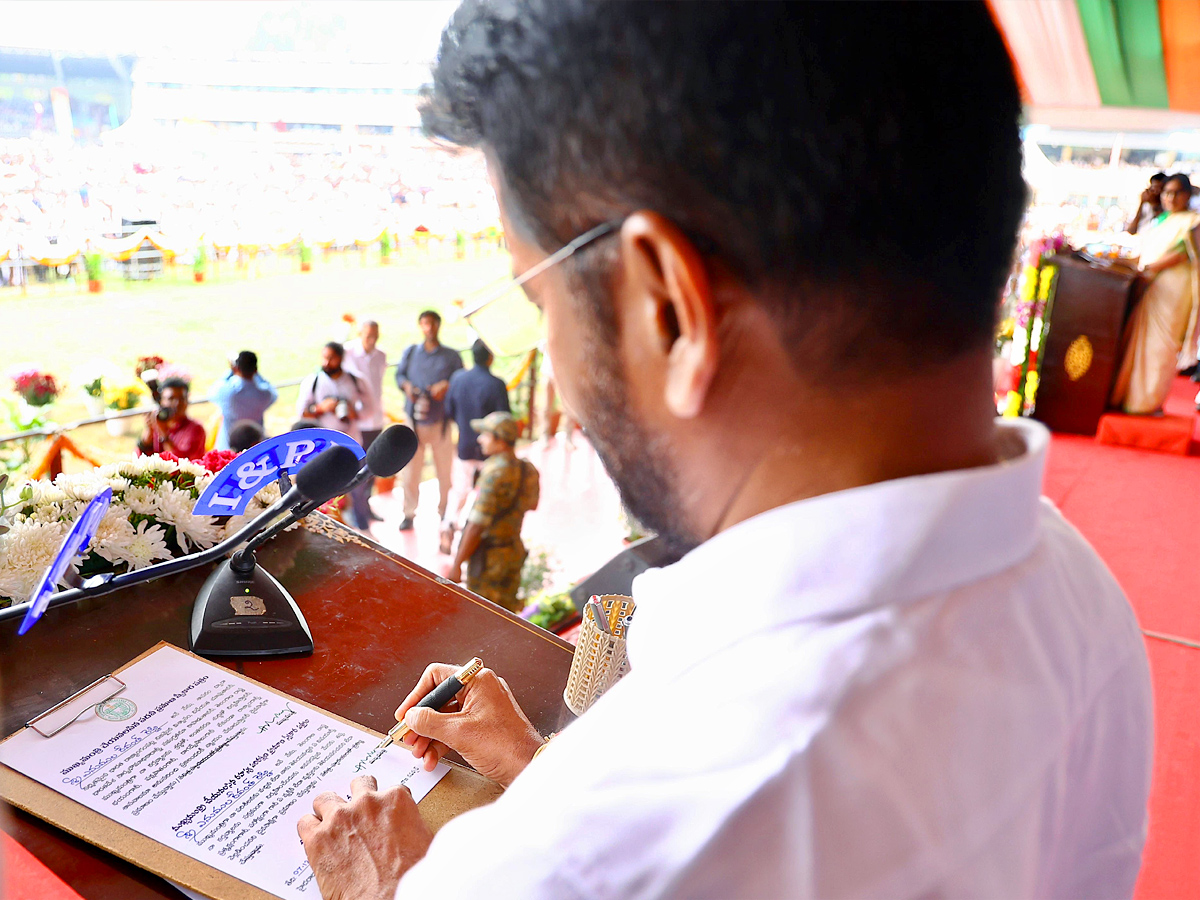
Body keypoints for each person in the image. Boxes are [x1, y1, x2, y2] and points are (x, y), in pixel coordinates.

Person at [297, 4, 1153, 898]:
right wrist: (538, 765)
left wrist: (382, 886)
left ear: (667, 307)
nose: (552, 348)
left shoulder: (591, 855)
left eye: (538, 300)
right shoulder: (1081, 598)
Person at [1111, 173, 1200, 415]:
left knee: (1161, 347)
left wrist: (1147, 269)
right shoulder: (1162, 219)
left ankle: (1148, 403)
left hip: (1173, 292)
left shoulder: (1192, 221)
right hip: (1150, 286)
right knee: (1140, 342)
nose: (1170, 197)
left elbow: (1182, 253)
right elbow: (1145, 251)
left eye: (1176, 193)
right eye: (1166, 193)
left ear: (1187, 195)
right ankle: (1129, 397)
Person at [444, 411, 538, 610]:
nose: (480, 439)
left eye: (485, 434)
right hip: (512, 551)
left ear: (500, 440)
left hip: (489, 561)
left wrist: (457, 564)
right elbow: (532, 504)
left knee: (483, 616)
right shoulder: (528, 470)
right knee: (509, 615)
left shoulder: (494, 473)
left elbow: (477, 525)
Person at [393, 310, 463, 530]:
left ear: (439, 326)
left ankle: (444, 512)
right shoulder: (411, 352)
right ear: (420, 326)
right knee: (411, 472)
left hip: (440, 421)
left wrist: (446, 385)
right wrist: (407, 388)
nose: (429, 328)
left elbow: (461, 380)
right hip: (414, 422)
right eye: (425, 324)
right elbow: (399, 376)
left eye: (433, 324)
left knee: (445, 471)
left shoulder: (451, 356)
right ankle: (409, 513)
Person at [441, 339, 511, 552]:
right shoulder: (496, 384)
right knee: (484, 493)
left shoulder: (458, 378)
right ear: (491, 357)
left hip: (464, 444)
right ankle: (472, 536)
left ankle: (448, 525)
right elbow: (503, 419)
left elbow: (449, 409)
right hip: (488, 450)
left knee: (459, 490)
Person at [295, 342, 370, 527]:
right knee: (326, 488)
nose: (327, 362)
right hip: (324, 446)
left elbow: (371, 408)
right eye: (324, 357)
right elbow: (301, 413)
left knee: (357, 485)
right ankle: (327, 523)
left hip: (352, 441)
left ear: (341, 359)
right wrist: (321, 408)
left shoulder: (354, 380)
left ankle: (361, 524)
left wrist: (354, 412)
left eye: (331, 358)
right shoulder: (313, 381)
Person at [344, 319, 389, 522]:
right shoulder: (348, 354)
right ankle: (358, 515)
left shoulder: (381, 356)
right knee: (357, 469)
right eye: (368, 335)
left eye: (375, 336)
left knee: (373, 467)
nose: (371, 340)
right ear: (360, 334)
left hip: (376, 420)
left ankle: (366, 508)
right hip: (358, 423)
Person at [212, 350, 277, 451]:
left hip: (228, 448)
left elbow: (213, 390)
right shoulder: (264, 395)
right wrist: (257, 375)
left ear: (236, 368)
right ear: (255, 369)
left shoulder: (228, 393)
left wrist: (230, 372)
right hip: (255, 447)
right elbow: (272, 390)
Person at [135, 377, 206, 460]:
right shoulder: (157, 423)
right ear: (161, 401)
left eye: (181, 399)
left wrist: (163, 434)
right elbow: (139, 459)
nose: (177, 403)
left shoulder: (196, 429)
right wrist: (149, 433)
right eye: (171, 399)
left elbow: (183, 464)